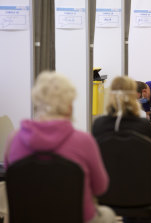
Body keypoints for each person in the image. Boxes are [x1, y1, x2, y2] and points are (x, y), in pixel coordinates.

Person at [4, 71, 116, 223]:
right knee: (107, 214)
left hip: (28, 218)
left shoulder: (14, 140)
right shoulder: (84, 141)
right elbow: (100, 188)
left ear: (36, 103)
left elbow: (11, 181)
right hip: (77, 218)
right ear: (69, 106)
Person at [92, 76, 151, 222]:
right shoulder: (142, 126)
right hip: (140, 193)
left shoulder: (98, 126)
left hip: (106, 194)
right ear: (132, 97)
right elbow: (148, 165)